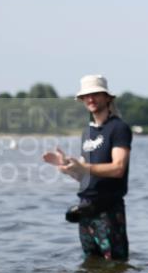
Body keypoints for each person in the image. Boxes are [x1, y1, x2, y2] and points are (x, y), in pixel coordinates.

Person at [42, 75, 132, 261]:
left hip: (109, 210)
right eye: (86, 96)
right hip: (85, 211)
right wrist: (68, 167)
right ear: (82, 100)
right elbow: (85, 175)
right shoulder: (87, 132)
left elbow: (118, 168)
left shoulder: (119, 128)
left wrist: (83, 167)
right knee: (91, 265)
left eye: (95, 94)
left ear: (108, 97)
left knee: (116, 267)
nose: (90, 99)